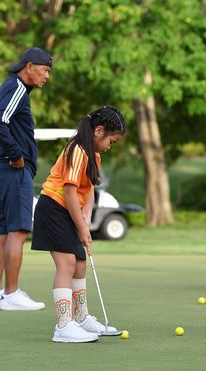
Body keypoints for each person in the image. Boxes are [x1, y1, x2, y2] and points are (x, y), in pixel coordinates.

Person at [32, 106, 126, 343]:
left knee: (80, 264)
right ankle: (63, 326)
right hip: (53, 207)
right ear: (99, 131)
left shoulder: (94, 155)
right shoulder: (77, 150)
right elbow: (69, 190)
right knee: (67, 263)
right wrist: (82, 228)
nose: (109, 146)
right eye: (111, 141)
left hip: (68, 211)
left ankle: (82, 318)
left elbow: (89, 189)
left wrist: (86, 218)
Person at [0, 47, 52, 311]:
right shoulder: (17, 87)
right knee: (17, 231)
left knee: (4, 231)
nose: (47, 76)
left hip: (2, 170)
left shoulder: (10, 88)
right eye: (45, 70)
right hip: (15, 170)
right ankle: (12, 293)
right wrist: (14, 154)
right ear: (29, 66)